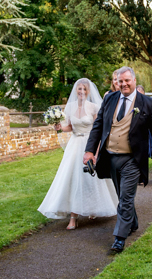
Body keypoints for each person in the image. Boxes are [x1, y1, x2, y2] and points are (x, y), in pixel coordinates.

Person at [83, 67, 152, 254]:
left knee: (126, 198)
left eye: (127, 80)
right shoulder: (109, 99)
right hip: (111, 157)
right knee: (122, 195)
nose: (124, 84)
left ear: (134, 80)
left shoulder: (147, 103)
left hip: (133, 159)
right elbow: (98, 126)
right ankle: (133, 222)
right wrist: (89, 151)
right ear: (116, 82)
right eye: (120, 81)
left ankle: (120, 238)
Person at [38, 78, 118, 229]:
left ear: (88, 92)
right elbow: (69, 126)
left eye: (84, 89)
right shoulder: (70, 107)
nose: (81, 92)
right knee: (73, 178)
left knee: (92, 178)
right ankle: (73, 218)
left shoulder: (94, 107)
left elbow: (98, 129)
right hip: (74, 146)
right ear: (76, 91)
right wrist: (59, 127)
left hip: (89, 144)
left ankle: (93, 208)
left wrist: (97, 151)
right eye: (79, 89)